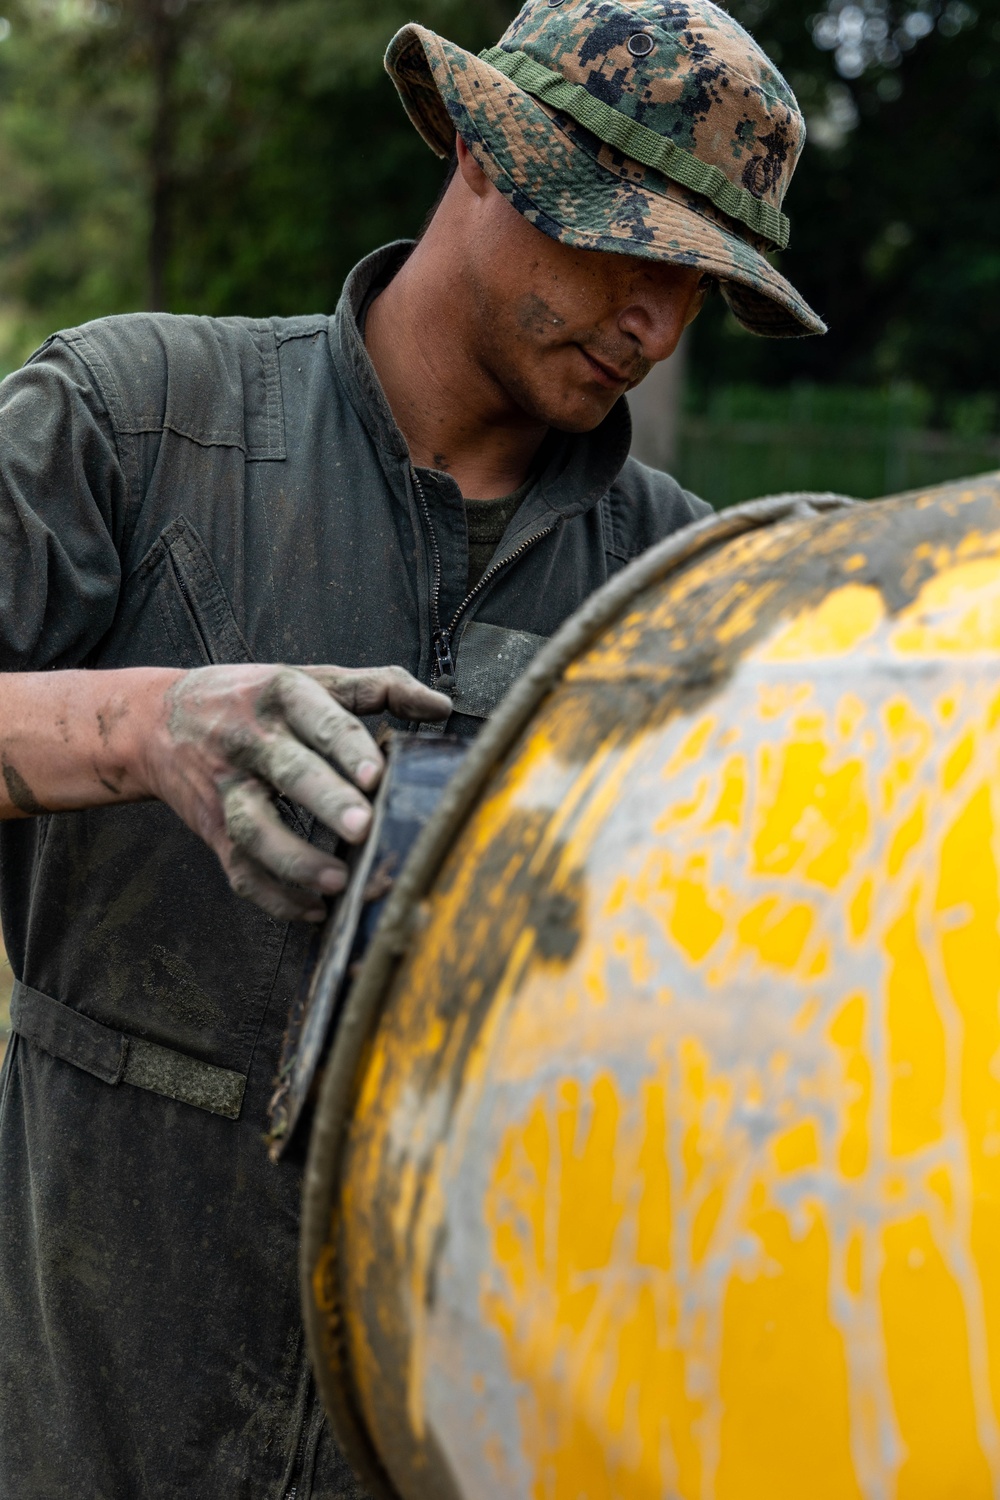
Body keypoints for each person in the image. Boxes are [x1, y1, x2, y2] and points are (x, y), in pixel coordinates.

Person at [0, 0, 825, 1493]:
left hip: (450, 1431)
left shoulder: (691, 594)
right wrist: (144, 722)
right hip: (88, 1415)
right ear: (486, 156)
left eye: (705, 285)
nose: (658, 323)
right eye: (633, 246)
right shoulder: (134, 419)